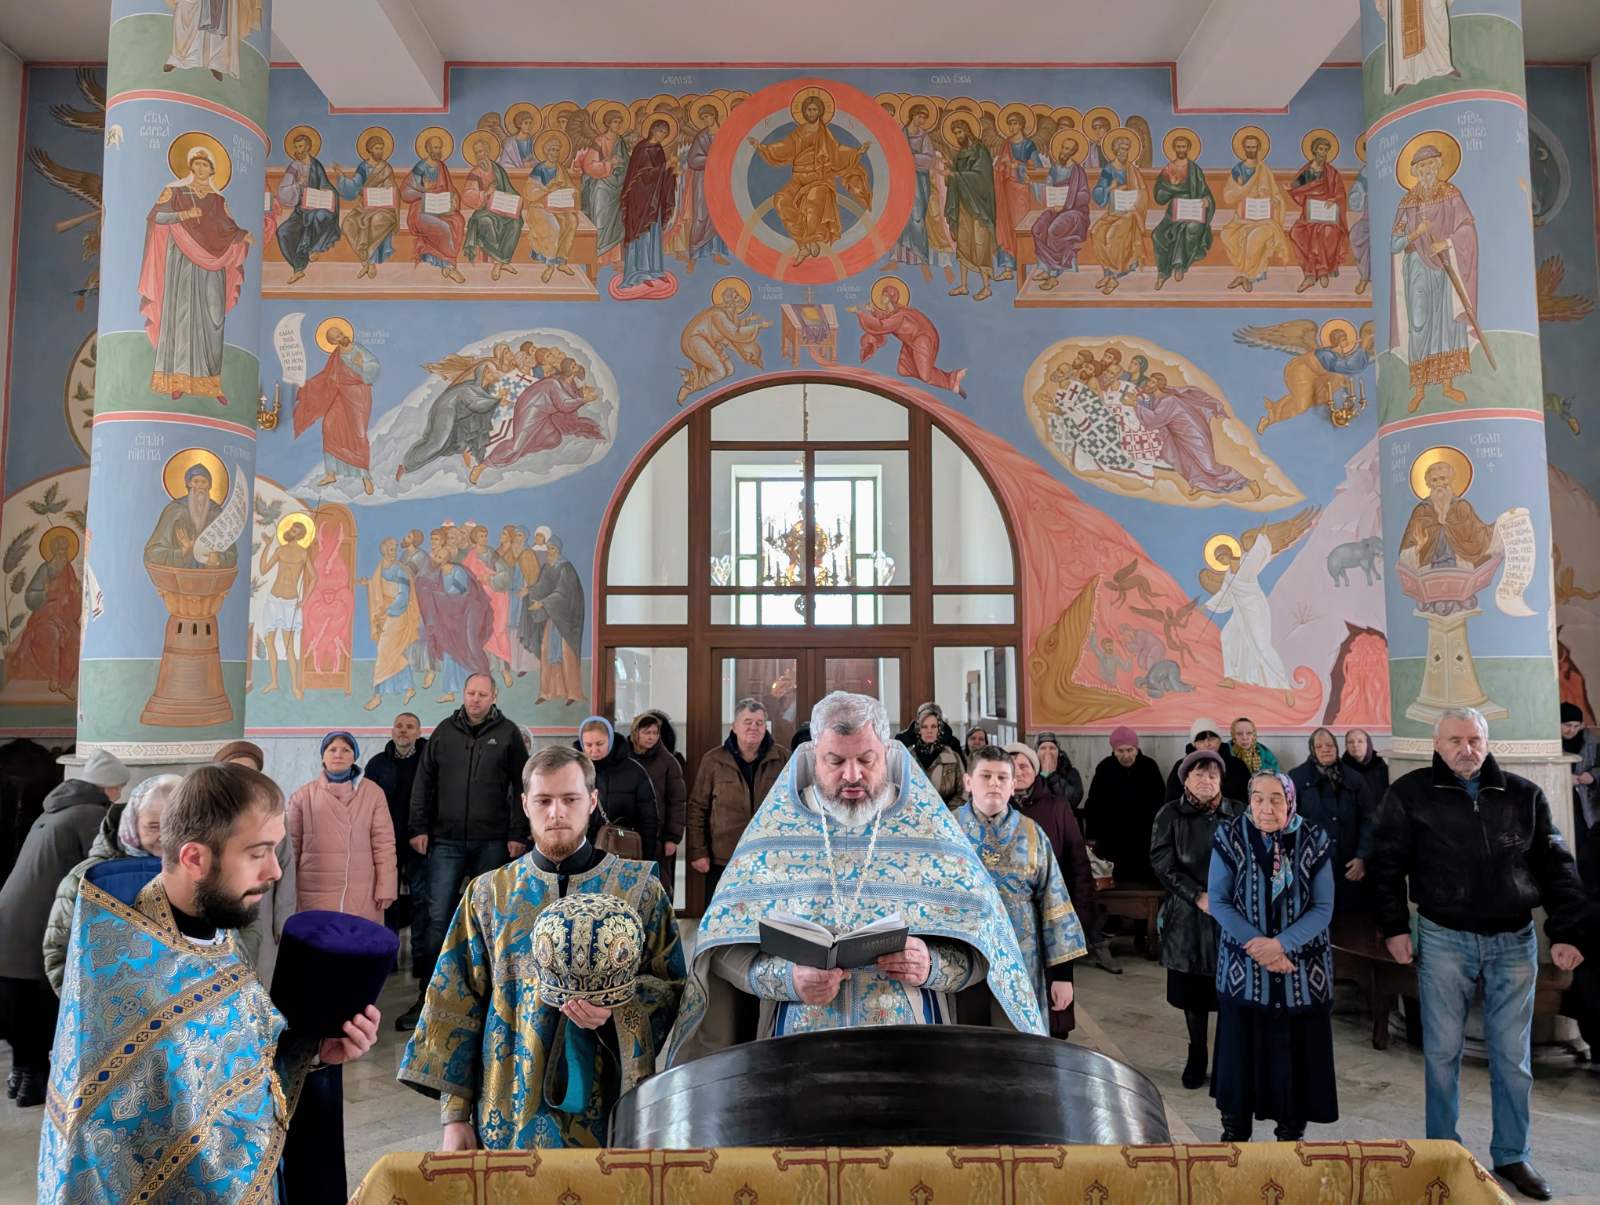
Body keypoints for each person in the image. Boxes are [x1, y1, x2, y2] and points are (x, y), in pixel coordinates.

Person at [38, 764, 380, 1202]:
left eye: (276, 849)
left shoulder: (216, 931)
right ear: (194, 858)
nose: (275, 871)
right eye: (258, 853)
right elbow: (99, 1158)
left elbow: (240, 1063)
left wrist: (312, 1057)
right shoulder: (125, 979)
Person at [669, 692, 1043, 1061]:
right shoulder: (773, 832)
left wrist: (932, 966)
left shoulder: (930, 831)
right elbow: (721, 948)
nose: (852, 775)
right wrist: (785, 978)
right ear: (814, 755)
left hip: (913, 1049)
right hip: (794, 1049)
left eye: (866, 759)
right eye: (835, 761)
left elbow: (989, 948)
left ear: (887, 753)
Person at [399, 745, 684, 1149]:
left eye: (570, 799)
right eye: (544, 800)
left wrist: (618, 1008)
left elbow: (671, 985)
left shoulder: (640, 890)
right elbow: (456, 1000)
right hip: (509, 1106)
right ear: (525, 804)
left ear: (592, 801)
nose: (556, 813)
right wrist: (455, 1116)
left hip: (611, 1107)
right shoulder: (488, 894)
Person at [1371, 708, 1588, 1202]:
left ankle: (1513, 1154)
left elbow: (1556, 865)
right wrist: (1394, 927)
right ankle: (1442, 1152)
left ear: (1487, 742)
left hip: (1513, 939)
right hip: (1443, 937)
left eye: (1474, 739)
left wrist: (1567, 931)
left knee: (1512, 1057)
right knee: (1442, 1053)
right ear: (1437, 744)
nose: (1465, 749)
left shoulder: (1523, 795)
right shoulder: (1410, 793)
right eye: (1454, 740)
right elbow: (1385, 864)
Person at [1209, 772, 1338, 1141]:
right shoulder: (1230, 835)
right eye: (1258, 798)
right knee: (1240, 1062)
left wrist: (1280, 945)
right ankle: (1235, 1141)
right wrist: (1261, 948)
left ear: (1290, 800)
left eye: (1276, 799)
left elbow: (1323, 907)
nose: (1266, 808)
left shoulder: (1313, 837)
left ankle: (1289, 1141)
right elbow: (1219, 900)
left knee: (1296, 1069)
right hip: (1244, 972)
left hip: (1302, 973)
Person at [0, 750, 128, 1107]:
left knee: (19, 1007)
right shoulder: (91, 814)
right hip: (37, 924)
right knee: (40, 1008)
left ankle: (22, 1075)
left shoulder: (54, 810)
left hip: (12, 921)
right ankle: (33, 1080)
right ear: (110, 786)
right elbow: (102, 868)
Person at [404, 673, 530, 1030]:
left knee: (489, 919)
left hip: (492, 841)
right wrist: (418, 827)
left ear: (494, 697)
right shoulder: (444, 732)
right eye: (470, 693)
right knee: (437, 918)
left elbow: (522, 786)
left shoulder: (508, 734)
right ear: (463, 694)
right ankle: (428, 997)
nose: (475, 699)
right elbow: (423, 781)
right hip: (445, 841)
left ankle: (490, 999)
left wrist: (517, 833)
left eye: (482, 694)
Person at [956, 746, 1086, 1032]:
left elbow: (1055, 903)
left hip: (1022, 963)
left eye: (1002, 777)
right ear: (968, 782)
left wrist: (1062, 975)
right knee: (963, 1043)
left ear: (1013, 784)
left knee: (1017, 1046)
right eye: (985, 776)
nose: (994, 783)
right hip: (960, 960)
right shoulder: (947, 831)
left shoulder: (1032, 833)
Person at [1152, 748, 1242, 1091]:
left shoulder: (1239, 812)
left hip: (1231, 913)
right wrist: (1197, 895)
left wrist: (1230, 896)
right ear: (1186, 779)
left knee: (1231, 988)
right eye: (1199, 774)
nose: (1206, 780)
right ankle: (1197, 1052)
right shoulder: (1170, 814)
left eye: (1213, 775)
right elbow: (1162, 862)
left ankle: (1226, 1057)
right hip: (1188, 913)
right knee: (1193, 993)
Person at [43, 772, 180, 995]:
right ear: (132, 823)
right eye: (153, 826)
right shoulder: (88, 876)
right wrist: (78, 1002)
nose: (164, 836)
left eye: (175, 826)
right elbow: (59, 949)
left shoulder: (202, 871)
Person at [1007, 742, 1108, 986]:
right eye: (1011, 766)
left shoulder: (1056, 806)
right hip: (1010, 920)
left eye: (1024, 765)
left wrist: (1080, 915)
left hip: (1053, 915)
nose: (1018, 771)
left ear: (1035, 770)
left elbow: (1078, 863)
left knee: (1055, 990)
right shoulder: (996, 809)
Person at [287, 732, 397, 925]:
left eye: (345, 750)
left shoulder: (373, 793)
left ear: (354, 757)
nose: (338, 755)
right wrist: (285, 892)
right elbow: (291, 847)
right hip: (314, 889)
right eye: (332, 750)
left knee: (357, 939)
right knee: (318, 940)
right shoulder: (303, 796)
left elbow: (384, 844)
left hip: (361, 889)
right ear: (323, 757)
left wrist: (386, 886)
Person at [686, 698, 789, 898]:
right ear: (734, 727)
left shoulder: (783, 758)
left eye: (759, 723)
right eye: (747, 722)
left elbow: (793, 805)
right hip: (724, 858)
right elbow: (697, 808)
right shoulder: (713, 761)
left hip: (769, 857)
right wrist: (698, 851)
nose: (754, 727)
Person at [214, 740, 297, 987]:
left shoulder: (273, 814)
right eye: (235, 771)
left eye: (249, 771)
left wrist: (283, 921)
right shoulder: (208, 812)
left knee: (260, 979)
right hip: (218, 911)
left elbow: (286, 866)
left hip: (262, 911)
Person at [1288, 727, 1377, 931]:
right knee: (1316, 922)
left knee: (1351, 926)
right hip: (1312, 865)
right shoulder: (1296, 778)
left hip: (1349, 864)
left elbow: (1369, 820)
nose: (1325, 749)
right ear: (1312, 750)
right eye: (1319, 746)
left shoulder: (1354, 778)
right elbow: (1289, 823)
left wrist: (1362, 857)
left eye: (1329, 745)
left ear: (1337, 748)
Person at [367, 713, 429, 997]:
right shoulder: (377, 763)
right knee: (386, 899)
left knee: (422, 899)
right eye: (399, 726)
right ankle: (388, 958)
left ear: (418, 732)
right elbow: (367, 803)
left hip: (419, 840)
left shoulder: (428, 762)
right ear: (392, 730)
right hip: (385, 842)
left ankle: (420, 959)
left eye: (409, 727)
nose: (403, 731)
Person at [1084, 726, 1167, 888]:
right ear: (1113, 750)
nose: (1126, 755)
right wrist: (1093, 837)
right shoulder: (1105, 768)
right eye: (1120, 751)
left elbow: (1160, 804)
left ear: (1137, 748)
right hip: (1112, 836)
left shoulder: (1149, 767)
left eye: (1130, 750)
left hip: (1143, 836)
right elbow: (1094, 805)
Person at [577, 716, 660, 860]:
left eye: (600, 744)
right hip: (583, 851)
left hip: (622, 849)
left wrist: (646, 857)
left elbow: (648, 819)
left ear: (610, 740)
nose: (594, 750)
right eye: (588, 745)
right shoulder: (574, 770)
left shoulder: (634, 771)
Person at [631, 710, 687, 892]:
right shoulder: (625, 758)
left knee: (659, 885)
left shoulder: (668, 762)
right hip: (630, 833)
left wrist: (672, 837)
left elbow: (677, 802)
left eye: (655, 733)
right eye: (646, 732)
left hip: (659, 836)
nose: (651, 737)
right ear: (636, 733)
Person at [1151, 132, 1214, 289]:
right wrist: (1171, 188)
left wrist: (1206, 200)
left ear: (1188, 148)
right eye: (1178, 147)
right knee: (1157, 235)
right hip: (1174, 211)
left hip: (1193, 209)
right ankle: (1163, 272)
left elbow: (1205, 192)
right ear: (1174, 148)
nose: (1181, 149)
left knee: (1191, 227)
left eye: (1183, 146)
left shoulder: (1195, 169)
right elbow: (1159, 197)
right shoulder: (1168, 169)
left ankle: (1179, 265)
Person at [1167, 717, 1252, 804]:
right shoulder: (1182, 766)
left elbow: (1248, 798)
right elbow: (1172, 800)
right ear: (1194, 744)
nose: (1207, 744)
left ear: (1219, 740)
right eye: (1201, 739)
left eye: (1212, 738)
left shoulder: (1237, 765)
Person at [1561, 702, 1598, 881]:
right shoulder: (1550, 743)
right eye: (1567, 725)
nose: (1572, 730)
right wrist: (1564, 777)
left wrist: (1592, 776)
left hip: (1588, 803)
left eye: (1576, 726)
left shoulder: (1590, 741)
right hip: (1564, 801)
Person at [909, 703, 965, 806]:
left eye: (933, 726)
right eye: (924, 727)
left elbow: (963, 793)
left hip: (948, 813)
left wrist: (946, 812)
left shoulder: (953, 758)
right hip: (915, 813)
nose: (929, 731)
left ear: (939, 729)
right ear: (918, 730)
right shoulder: (907, 757)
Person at [1035, 731, 1084, 812]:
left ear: (1058, 753)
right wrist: (1044, 774)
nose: (1048, 752)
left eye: (1052, 748)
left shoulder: (1071, 772)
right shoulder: (1030, 772)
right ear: (1036, 753)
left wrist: (1052, 776)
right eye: (1043, 748)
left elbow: (1073, 801)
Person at [1341, 727, 1390, 804]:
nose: (1355, 745)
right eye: (1350, 742)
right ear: (1346, 746)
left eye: (1360, 741)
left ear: (1368, 744)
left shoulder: (1383, 768)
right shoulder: (1340, 769)